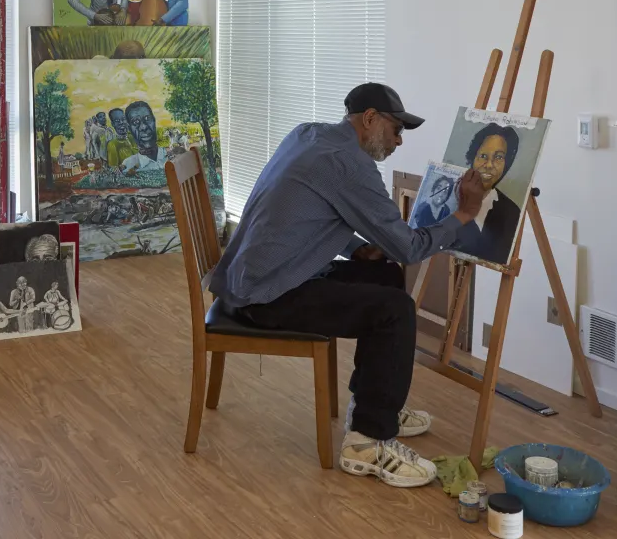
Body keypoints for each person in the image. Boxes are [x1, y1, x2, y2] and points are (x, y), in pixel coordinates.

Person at [208, 82, 487, 489]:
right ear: (370, 119)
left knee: (385, 274)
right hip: (267, 294)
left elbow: (307, 212)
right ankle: (367, 444)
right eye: (395, 129)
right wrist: (464, 214)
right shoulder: (349, 165)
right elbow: (409, 248)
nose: (398, 140)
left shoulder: (308, 134)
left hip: (252, 275)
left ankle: (372, 406)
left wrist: (357, 249)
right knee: (396, 311)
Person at [455, 123, 523, 264]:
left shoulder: (512, 211)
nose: (489, 165)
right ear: (472, 158)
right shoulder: (450, 197)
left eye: (498, 157)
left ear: (507, 163)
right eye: (483, 156)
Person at [117, 100, 164, 174]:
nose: (143, 127)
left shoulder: (172, 157)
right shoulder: (128, 165)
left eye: (147, 119)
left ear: (154, 121)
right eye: (135, 122)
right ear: (130, 129)